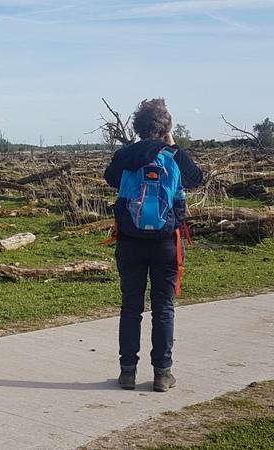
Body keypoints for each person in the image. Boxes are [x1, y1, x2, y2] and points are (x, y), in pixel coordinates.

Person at [103, 98, 203, 392]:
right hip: (166, 243)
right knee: (163, 308)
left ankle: (127, 372)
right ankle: (162, 373)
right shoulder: (173, 155)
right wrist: (170, 144)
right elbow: (196, 179)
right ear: (166, 127)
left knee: (131, 307)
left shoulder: (124, 156)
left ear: (137, 128)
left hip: (130, 242)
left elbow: (110, 180)